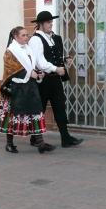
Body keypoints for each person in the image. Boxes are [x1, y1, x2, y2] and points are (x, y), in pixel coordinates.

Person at [0, 26, 55, 154]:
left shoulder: (28, 49)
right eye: (23, 35)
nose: (26, 37)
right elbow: (11, 69)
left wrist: (38, 73)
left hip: (30, 87)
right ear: (15, 37)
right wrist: (29, 74)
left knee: (35, 114)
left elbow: (31, 66)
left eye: (27, 35)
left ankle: (41, 144)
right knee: (12, 117)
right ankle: (9, 144)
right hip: (16, 89)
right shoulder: (10, 51)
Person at [28, 11, 82, 148]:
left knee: (60, 107)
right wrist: (55, 68)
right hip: (43, 80)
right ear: (40, 24)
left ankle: (65, 138)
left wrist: (64, 60)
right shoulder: (35, 39)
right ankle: (35, 138)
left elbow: (54, 56)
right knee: (39, 109)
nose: (51, 24)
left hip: (55, 80)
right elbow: (39, 62)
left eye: (51, 22)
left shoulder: (54, 38)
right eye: (48, 22)